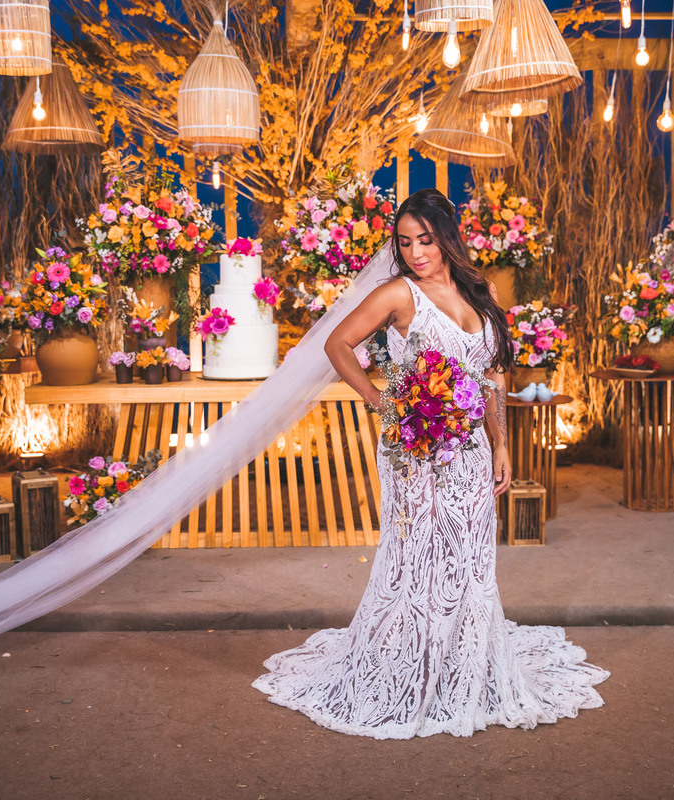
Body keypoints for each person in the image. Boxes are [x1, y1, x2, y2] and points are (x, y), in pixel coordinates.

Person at [252, 189, 609, 739]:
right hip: (413, 447)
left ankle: (460, 671)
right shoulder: (399, 294)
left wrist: (502, 446)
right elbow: (337, 344)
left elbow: (493, 375)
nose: (416, 252)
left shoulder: (481, 291)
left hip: (471, 449)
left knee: (468, 555)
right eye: (405, 242)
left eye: (426, 239)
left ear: (447, 236)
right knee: (417, 556)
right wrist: (383, 402)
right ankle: (407, 672)